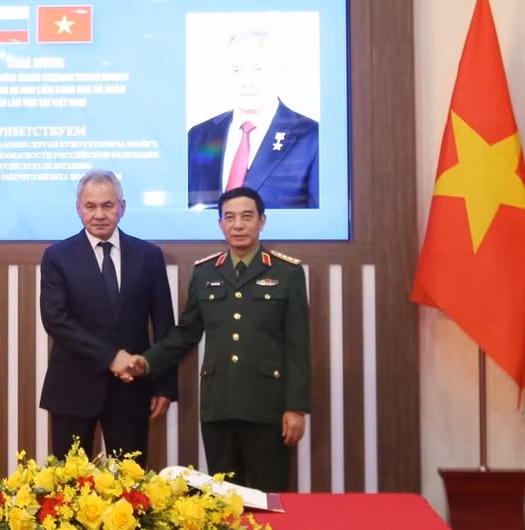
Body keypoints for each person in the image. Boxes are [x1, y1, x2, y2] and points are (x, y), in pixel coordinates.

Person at [126, 186, 310, 492]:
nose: (238, 225)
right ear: (221, 224)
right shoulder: (205, 272)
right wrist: (146, 362)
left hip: (268, 407)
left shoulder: (287, 273)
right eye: (230, 217)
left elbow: (298, 345)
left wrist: (297, 407)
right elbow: (185, 334)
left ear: (261, 221)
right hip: (218, 405)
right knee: (225, 501)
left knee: (271, 496)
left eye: (247, 217)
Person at [39, 169, 177, 466]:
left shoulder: (149, 255)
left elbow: (165, 325)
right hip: (72, 389)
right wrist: (111, 357)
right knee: (68, 491)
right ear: (78, 208)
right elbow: (55, 320)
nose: (99, 214)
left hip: (131, 391)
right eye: (91, 206)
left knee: (131, 493)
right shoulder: (57, 256)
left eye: (108, 205)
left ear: (122, 207)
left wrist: (164, 385)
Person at [188, 28, 319, 210]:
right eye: (236, 70)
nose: (246, 80)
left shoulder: (311, 136)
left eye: (258, 69)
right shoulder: (199, 135)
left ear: (279, 71)